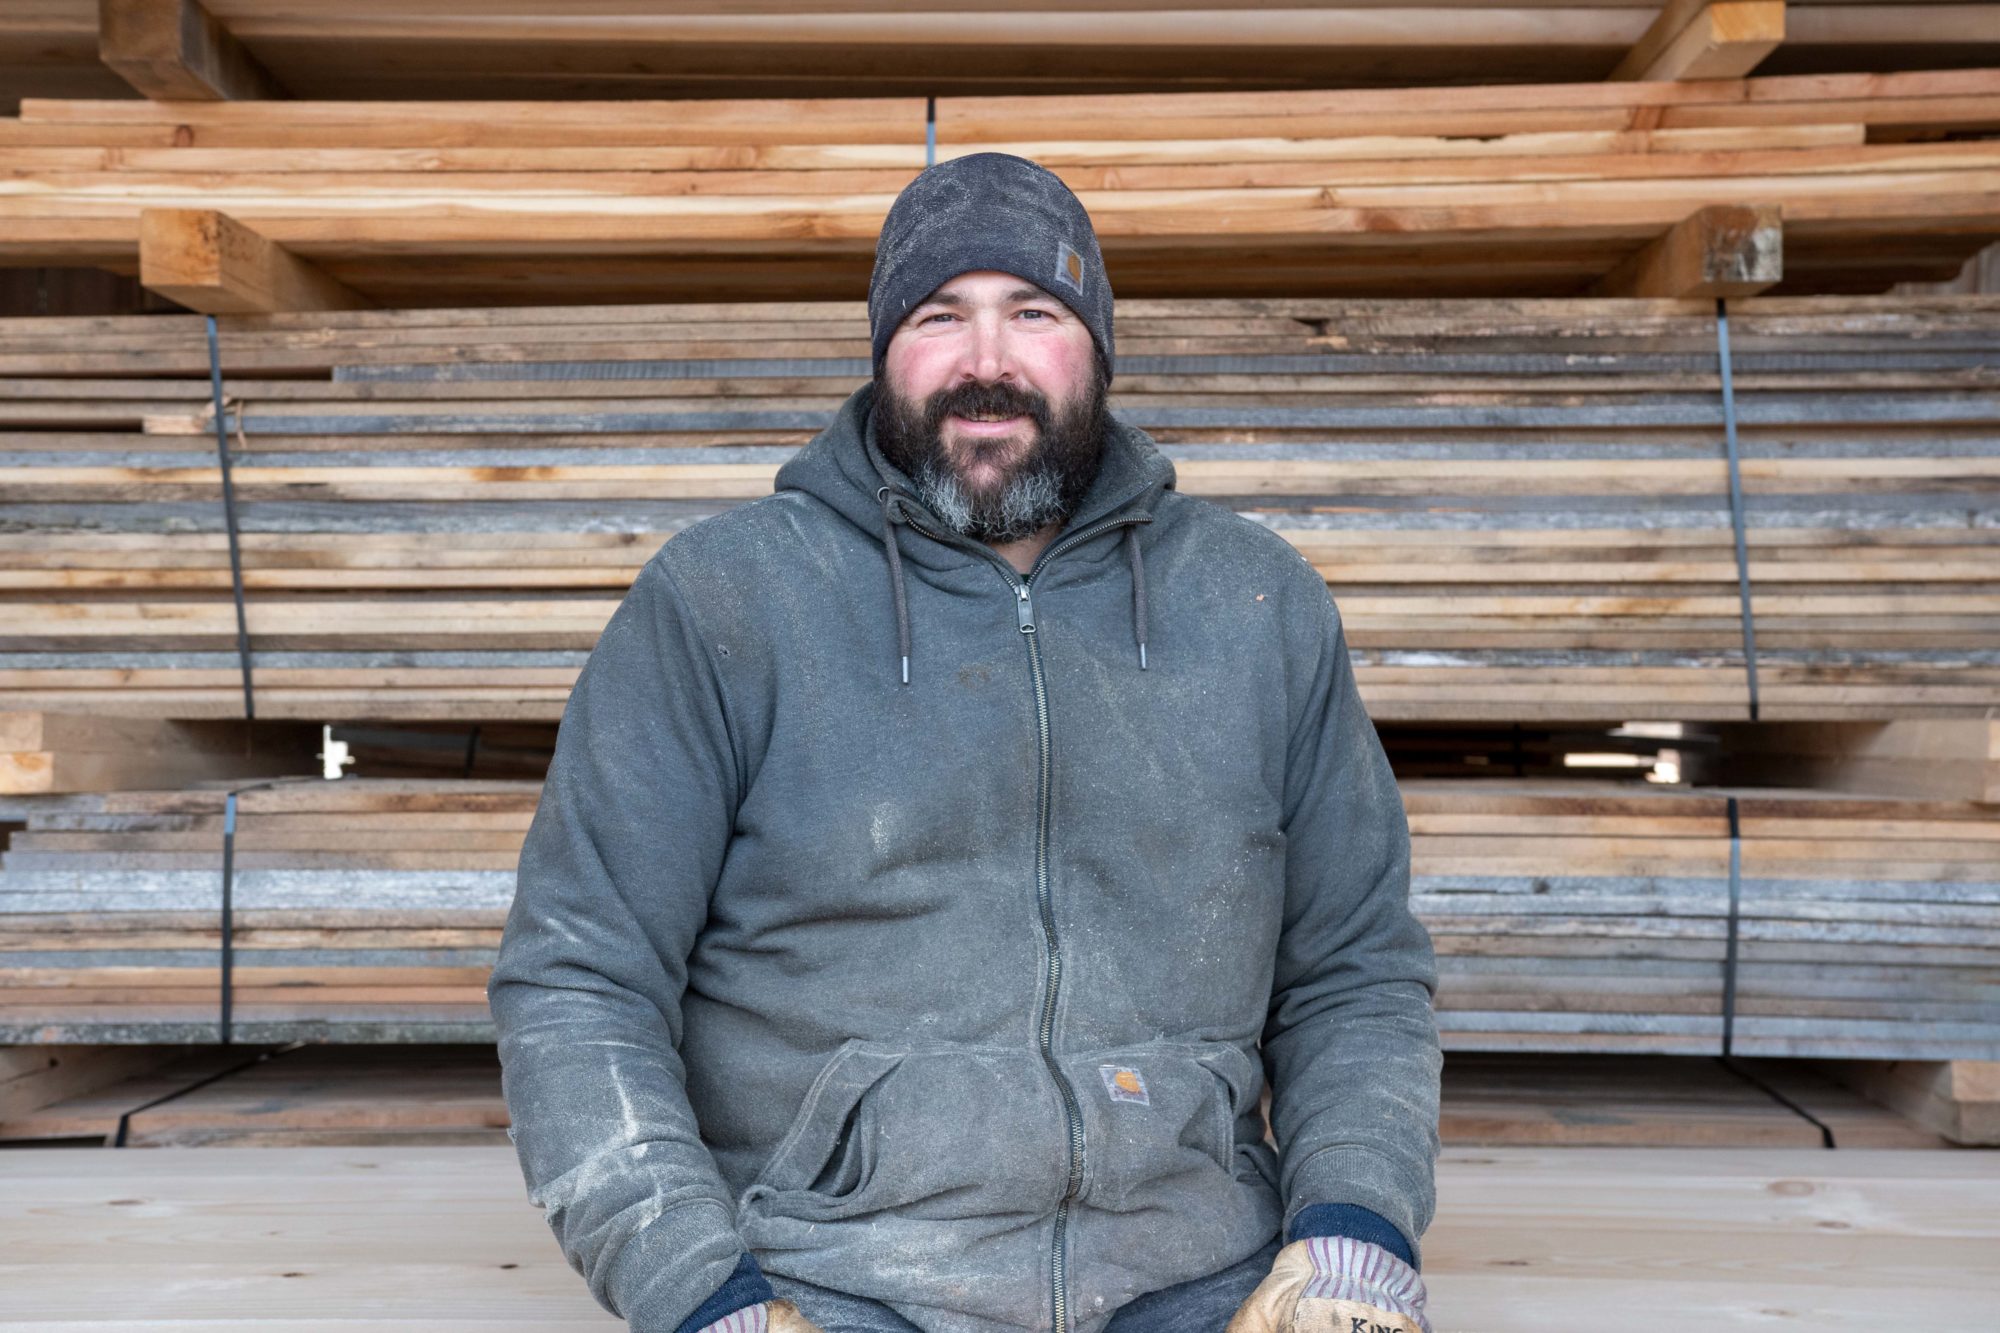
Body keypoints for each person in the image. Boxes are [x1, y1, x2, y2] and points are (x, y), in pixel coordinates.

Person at [487, 152, 1442, 1333]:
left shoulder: (1255, 602)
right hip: (824, 1278)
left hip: (1200, 1276)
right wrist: (701, 1293)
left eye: (1033, 313)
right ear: (885, 351)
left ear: (1095, 347)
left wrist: (1353, 1233)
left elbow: (1354, 970)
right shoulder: (724, 602)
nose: (986, 363)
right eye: (940, 317)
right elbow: (579, 982)